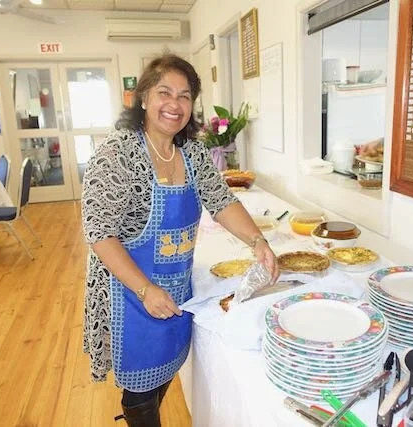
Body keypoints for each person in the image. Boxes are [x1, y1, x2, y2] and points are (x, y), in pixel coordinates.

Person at [81, 53, 279, 427]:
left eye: (184, 96)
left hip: (175, 285)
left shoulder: (192, 152)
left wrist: (257, 241)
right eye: (164, 92)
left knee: (165, 368)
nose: (175, 104)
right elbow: (100, 233)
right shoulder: (118, 153)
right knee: (139, 390)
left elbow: (221, 200)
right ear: (143, 98)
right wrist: (145, 290)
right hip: (128, 290)